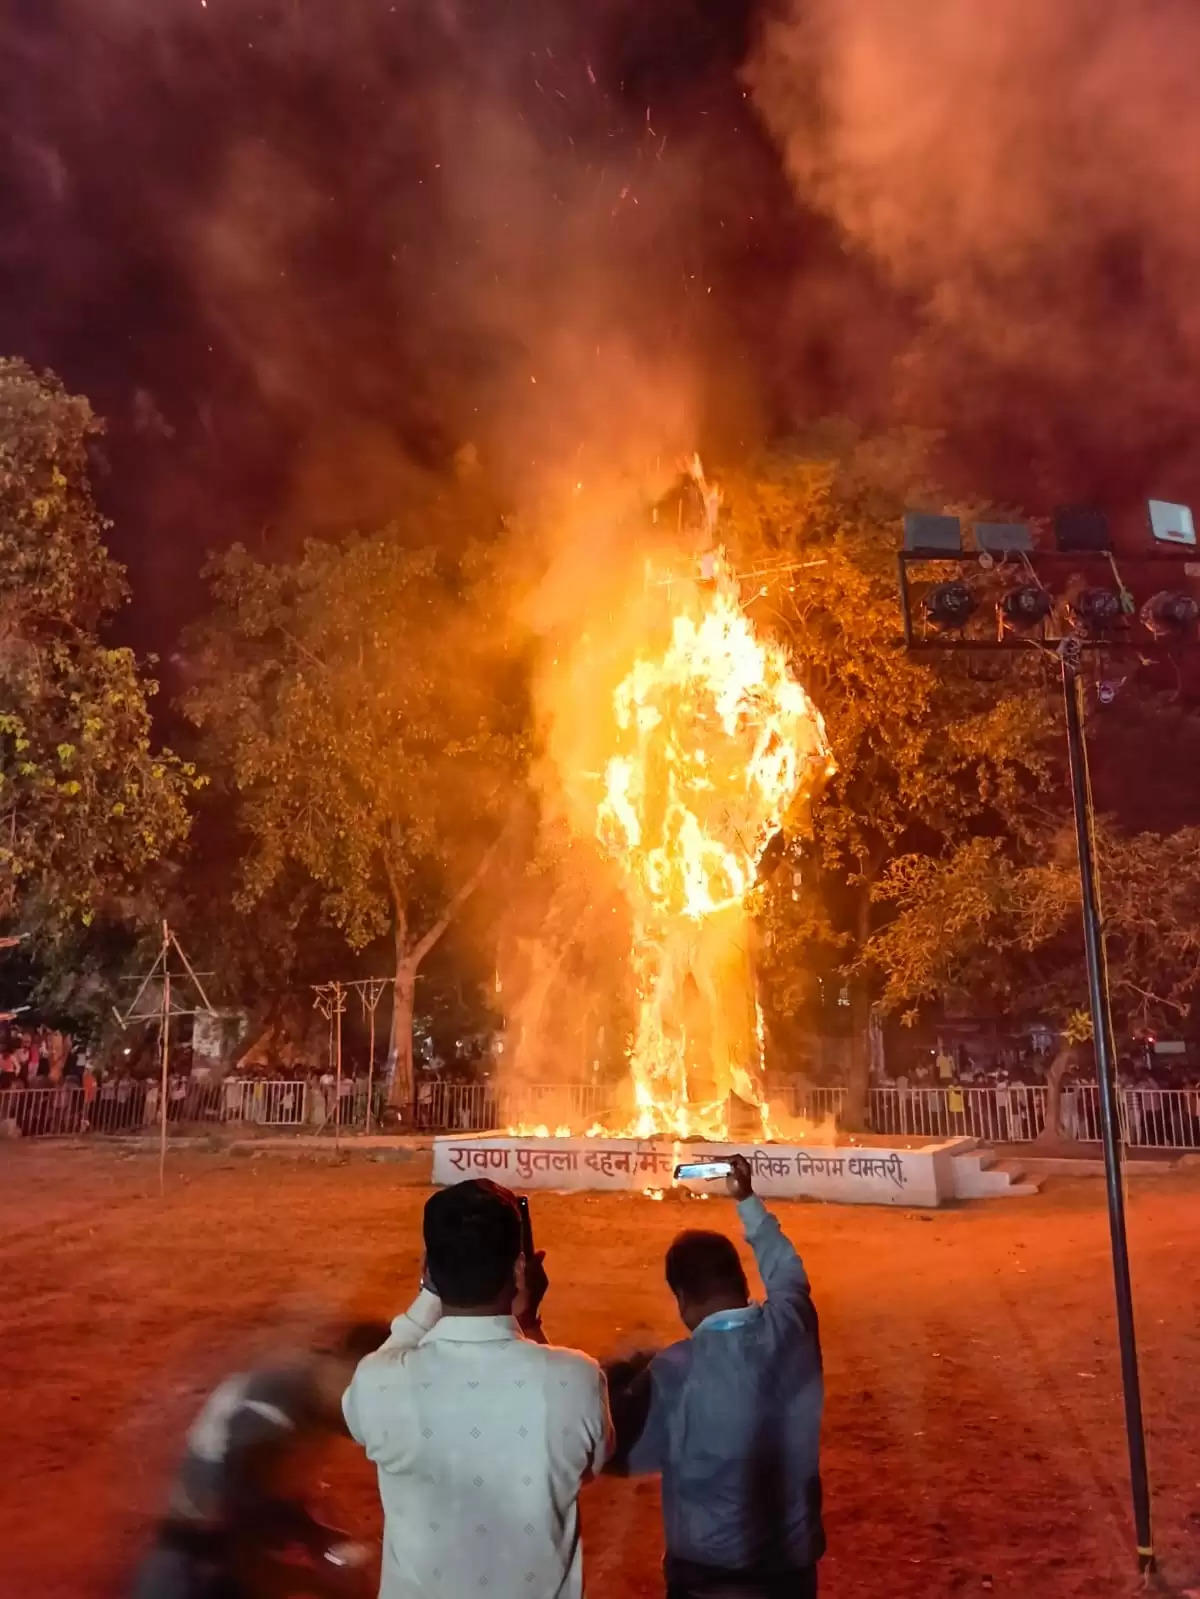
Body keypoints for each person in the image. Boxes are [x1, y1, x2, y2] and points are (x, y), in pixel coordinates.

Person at [342, 1177, 612, 1599]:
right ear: (521, 1269)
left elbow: (367, 1392)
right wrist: (529, 1323)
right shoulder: (576, 1379)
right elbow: (588, 1468)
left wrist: (427, 1296)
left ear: (428, 1270)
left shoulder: (379, 1382)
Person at [606, 1154, 824, 1599]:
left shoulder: (672, 1373)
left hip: (709, 1584)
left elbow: (616, 1453)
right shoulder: (794, 1328)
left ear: (681, 1298)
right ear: (743, 1283)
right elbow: (788, 1276)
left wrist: (617, 1379)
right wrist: (745, 1198)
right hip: (793, 1579)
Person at [132, 1322, 388, 1599]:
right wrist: (316, 1573)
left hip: (216, 1553)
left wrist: (319, 1541)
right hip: (194, 1570)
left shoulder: (305, 1392)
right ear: (351, 1370)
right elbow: (240, 1519)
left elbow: (269, 1500)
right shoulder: (268, 1414)